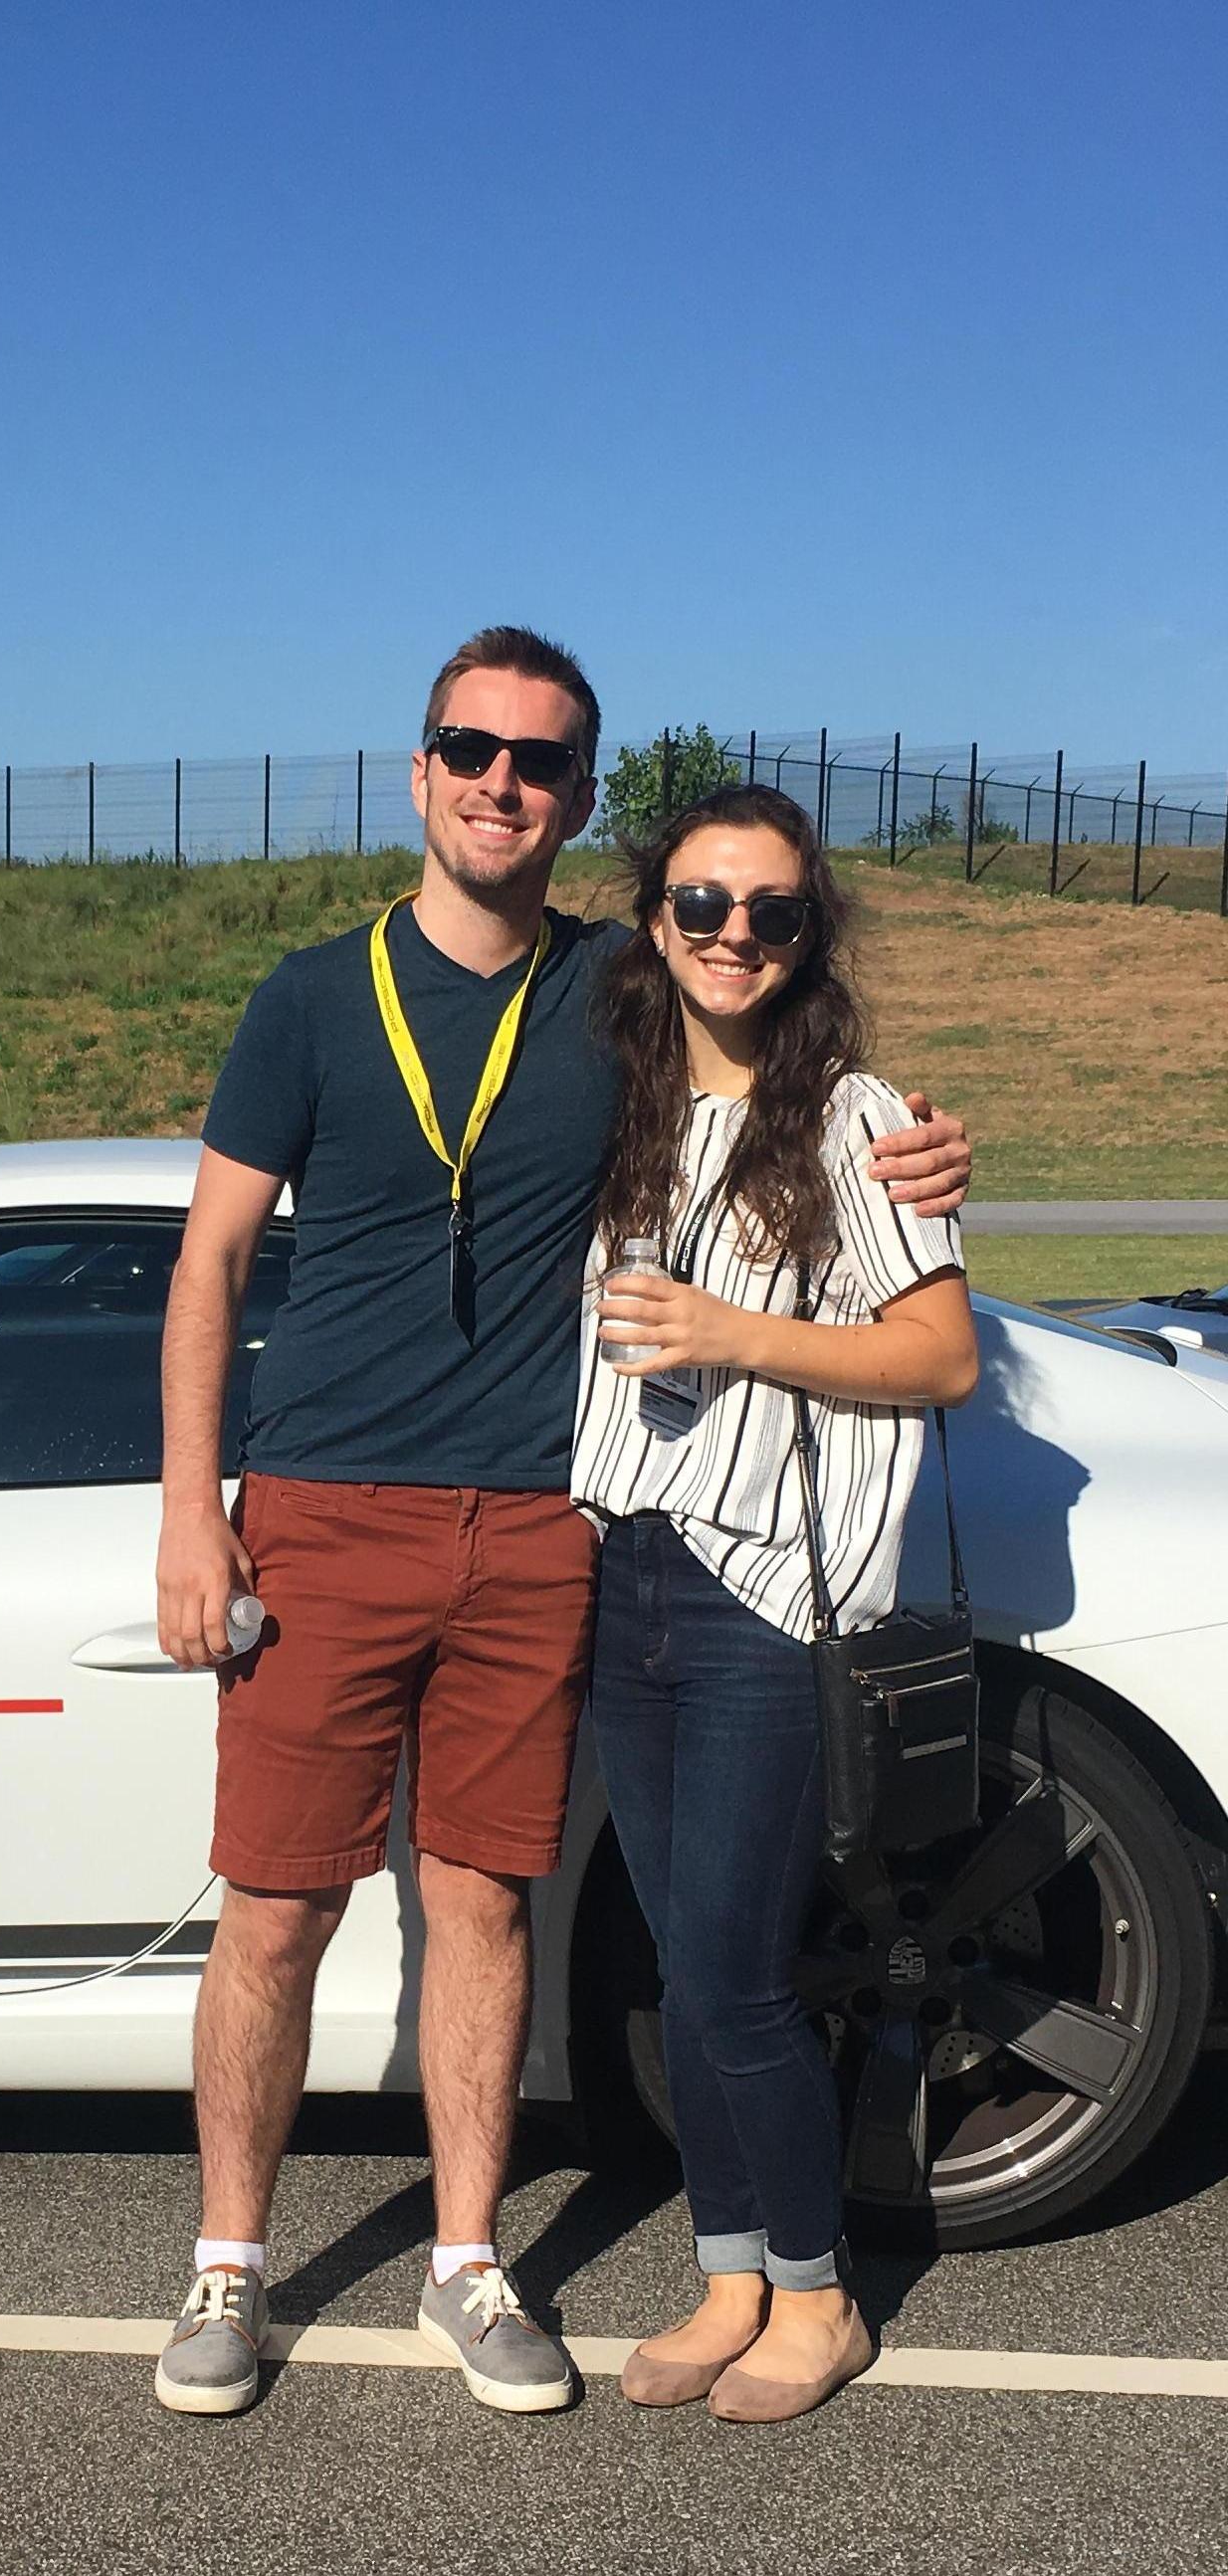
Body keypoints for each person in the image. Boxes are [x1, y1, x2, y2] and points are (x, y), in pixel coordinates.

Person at [151, 626, 971, 2422]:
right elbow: (207, 1262)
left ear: (576, 794)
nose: (497, 781)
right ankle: (226, 2267)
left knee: (485, 1907)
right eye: (468, 747)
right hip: (331, 1509)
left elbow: (818, 1110)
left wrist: (919, 1149)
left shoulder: (619, 986)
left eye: (535, 760)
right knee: (276, 1911)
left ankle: (468, 2260)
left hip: (540, 1526)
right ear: (420, 762)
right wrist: (189, 1518)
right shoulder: (312, 999)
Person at [578, 788, 975, 2420]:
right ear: (650, 917)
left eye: (769, 911)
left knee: (738, 1974)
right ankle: (727, 2267)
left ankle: (815, 2294)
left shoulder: (853, 1114)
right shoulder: (612, 1099)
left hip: (759, 1591)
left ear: (808, 934)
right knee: (683, 1964)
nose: (731, 934)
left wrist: (729, 1334)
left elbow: (937, 1355)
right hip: (624, 1571)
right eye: (699, 903)